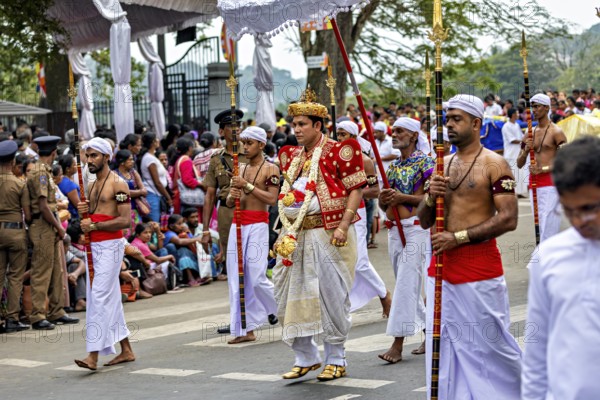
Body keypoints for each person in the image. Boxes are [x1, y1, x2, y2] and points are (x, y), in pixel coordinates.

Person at [418, 94, 522, 399]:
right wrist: (428, 196)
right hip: (440, 268)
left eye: (457, 119)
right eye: (447, 118)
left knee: (491, 347)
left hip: (479, 269)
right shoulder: (441, 163)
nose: (449, 125)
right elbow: (425, 222)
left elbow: (509, 218)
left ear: (476, 123)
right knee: (445, 347)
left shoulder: (494, 163)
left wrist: (457, 238)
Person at [274, 88, 366, 381]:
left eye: (302, 124)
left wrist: (343, 225)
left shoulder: (341, 150)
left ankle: (336, 357)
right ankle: (306, 355)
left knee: (331, 296)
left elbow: (356, 189)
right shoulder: (290, 156)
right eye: (294, 124)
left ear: (318, 125)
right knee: (288, 293)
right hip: (295, 235)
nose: (296, 129)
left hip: (329, 234)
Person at [521, 136, 600, 399]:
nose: (580, 220)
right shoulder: (550, 257)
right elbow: (536, 350)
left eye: (589, 208)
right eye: (569, 210)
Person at [74, 137, 135, 370]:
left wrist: (95, 226)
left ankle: (93, 355)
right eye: (88, 156)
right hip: (94, 247)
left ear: (106, 157)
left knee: (98, 297)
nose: (89, 160)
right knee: (108, 300)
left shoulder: (119, 184)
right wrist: (84, 211)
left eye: (94, 156)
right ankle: (127, 350)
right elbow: (93, 215)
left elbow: (124, 221)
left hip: (111, 246)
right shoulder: (92, 184)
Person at [378, 117, 434, 363]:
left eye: (399, 131)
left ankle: (397, 344)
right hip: (394, 231)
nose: (394, 134)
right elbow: (383, 204)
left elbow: (431, 200)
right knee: (406, 284)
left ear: (413, 135)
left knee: (404, 284)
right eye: (393, 131)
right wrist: (384, 198)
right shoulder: (391, 167)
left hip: (416, 229)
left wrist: (401, 197)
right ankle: (427, 332)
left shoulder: (426, 162)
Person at [225, 126, 279, 344]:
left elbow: (271, 199)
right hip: (237, 224)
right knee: (236, 278)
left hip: (257, 225)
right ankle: (245, 329)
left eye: (249, 143)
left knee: (256, 278)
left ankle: (282, 306)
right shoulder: (241, 168)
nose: (244, 147)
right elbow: (229, 202)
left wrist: (246, 185)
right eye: (243, 143)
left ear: (261, 145)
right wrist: (232, 193)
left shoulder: (271, 169)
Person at [336, 121, 391, 317]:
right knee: (340, 261)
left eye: (343, 134)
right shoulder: (334, 157)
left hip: (357, 215)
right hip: (337, 214)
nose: (340, 138)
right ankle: (342, 306)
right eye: (338, 134)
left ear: (353, 137)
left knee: (359, 262)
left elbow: (376, 190)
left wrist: (353, 192)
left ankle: (385, 296)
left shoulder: (365, 161)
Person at [27, 136, 79, 330]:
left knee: (57, 270)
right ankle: (38, 315)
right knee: (42, 272)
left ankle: (57, 310)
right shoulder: (40, 172)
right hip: (43, 226)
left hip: (49, 225)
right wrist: (59, 228)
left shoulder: (44, 171)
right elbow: (43, 205)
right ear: (54, 152)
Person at [200, 109, 248, 293]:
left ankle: (257, 309)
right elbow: (210, 196)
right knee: (232, 262)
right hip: (227, 212)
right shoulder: (216, 160)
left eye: (238, 125)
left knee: (252, 260)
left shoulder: (252, 152)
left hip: (250, 208)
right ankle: (238, 315)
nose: (235, 130)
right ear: (221, 131)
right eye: (230, 126)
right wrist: (205, 230)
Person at [517, 93, 568, 242]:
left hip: (551, 184)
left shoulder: (556, 132)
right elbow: (519, 163)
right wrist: (526, 150)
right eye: (532, 107)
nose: (534, 110)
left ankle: (544, 259)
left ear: (546, 108)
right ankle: (544, 258)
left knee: (548, 226)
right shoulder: (529, 133)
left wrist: (543, 169)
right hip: (534, 184)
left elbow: (564, 162)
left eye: (537, 106)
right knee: (540, 226)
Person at [0, 140, 31, 332]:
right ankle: (12, 318)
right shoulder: (19, 184)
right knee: (15, 276)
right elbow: (27, 214)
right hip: (15, 232)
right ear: (12, 162)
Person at [139, 132, 172, 222]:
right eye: (156, 139)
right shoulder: (149, 159)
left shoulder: (152, 157)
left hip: (156, 194)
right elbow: (157, 182)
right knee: (154, 222)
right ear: (153, 142)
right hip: (152, 193)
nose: (158, 140)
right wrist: (168, 197)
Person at [114, 150, 147, 236]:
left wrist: (132, 193)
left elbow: (144, 191)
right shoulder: (114, 174)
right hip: (121, 210)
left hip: (135, 209)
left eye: (133, 159)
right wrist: (139, 192)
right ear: (122, 162)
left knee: (137, 233)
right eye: (130, 160)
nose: (132, 162)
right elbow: (119, 194)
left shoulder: (133, 173)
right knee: (125, 234)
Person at [170, 137, 205, 215]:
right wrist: (201, 184)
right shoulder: (186, 160)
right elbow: (187, 180)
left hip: (178, 196)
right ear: (189, 148)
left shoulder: (179, 159)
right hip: (185, 198)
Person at [501, 108, 527, 197]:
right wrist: (523, 142)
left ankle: (519, 192)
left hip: (518, 153)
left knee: (519, 173)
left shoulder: (516, 125)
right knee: (511, 173)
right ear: (512, 115)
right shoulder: (506, 126)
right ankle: (511, 192)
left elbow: (522, 137)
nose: (518, 115)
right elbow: (512, 140)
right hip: (510, 154)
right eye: (517, 113)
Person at [57, 154, 81, 219]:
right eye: (74, 165)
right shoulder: (69, 185)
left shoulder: (61, 180)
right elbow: (78, 205)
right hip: (73, 218)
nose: (76, 166)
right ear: (68, 169)